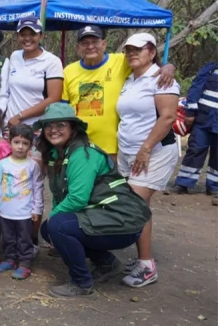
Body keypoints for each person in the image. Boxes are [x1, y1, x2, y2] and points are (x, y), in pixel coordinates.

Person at [35, 103, 151, 298]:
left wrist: (55, 220)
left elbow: (77, 199)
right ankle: (108, 264)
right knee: (50, 228)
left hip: (120, 220)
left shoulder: (82, 153)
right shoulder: (57, 153)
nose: (53, 130)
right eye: (48, 125)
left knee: (57, 226)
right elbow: (59, 194)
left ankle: (81, 283)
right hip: (102, 214)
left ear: (72, 127)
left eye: (61, 125)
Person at [115, 33, 180, 288]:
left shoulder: (161, 79)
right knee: (138, 205)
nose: (132, 53)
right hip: (128, 152)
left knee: (134, 205)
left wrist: (146, 148)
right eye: (128, 49)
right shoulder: (130, 79)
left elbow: (167, 117)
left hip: (154, 152)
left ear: (152, 52)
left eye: (138, 49)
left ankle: (146, 265)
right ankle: (143, 259)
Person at [62, 25, 176, 156]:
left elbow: (146, 61)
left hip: (114, 147)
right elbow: (63, 109)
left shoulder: (121, 61)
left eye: (95, 42)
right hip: (79, 144)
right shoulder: (68, 71)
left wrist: (169, 66)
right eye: (85, 43)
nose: (90, 46)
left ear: (104, 44)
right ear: (78, 47)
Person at [0, 124, 43, 280]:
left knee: (24, 239)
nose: (20, 147)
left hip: (25, 213)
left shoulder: (32, 165)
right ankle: (10, 260)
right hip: (6, 211)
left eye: (25, 143)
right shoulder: (2, 164)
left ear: (31, 145)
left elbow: (38, 188)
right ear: (9, 142)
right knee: (8, 238)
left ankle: (25, 263)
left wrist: (37, 209)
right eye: (17, 142)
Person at [3, 17, 64, 129]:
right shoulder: (14, 56)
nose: (27, 38)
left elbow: (54, 99)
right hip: (10, 124)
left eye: (32, 34)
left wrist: (20, 116)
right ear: (17, 36)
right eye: (23, 34)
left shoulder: (52, 61)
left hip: (35, 127)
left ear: (41, 36)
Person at [171, 61, 218, 200]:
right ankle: (183, 183)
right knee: (195, 150)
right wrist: (190, 112)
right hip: (203, 120)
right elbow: (196, 88)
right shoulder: (210, 69)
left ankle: (214, 187)